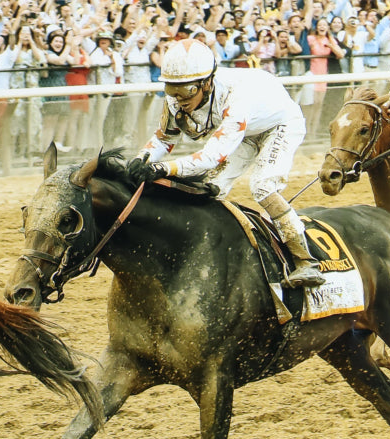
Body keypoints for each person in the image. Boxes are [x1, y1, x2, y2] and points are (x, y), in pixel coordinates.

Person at [127, 39, 326, 289]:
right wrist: (139, 160)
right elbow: (164, 139)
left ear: (207, 82)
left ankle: (305, 261)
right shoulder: (176, 99)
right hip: (246, 133)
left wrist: (163, 168)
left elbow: (212, 156)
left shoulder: (235, 96)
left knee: (262, 186)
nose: (179, 99)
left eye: (186, 91)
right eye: (171, 90)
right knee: (211, 187)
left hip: (279, 125)